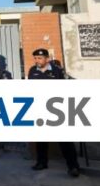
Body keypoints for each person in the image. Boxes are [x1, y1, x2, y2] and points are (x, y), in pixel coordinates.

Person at [28, 48, 80, 177]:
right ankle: (41, 162)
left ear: (47, 59)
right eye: (35, 58)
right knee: (41, 139)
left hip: (57, 109)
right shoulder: (33, 71)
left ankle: (73, 166)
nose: (37, 60)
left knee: (64, 139)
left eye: (40, 58)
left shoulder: (57, 71)